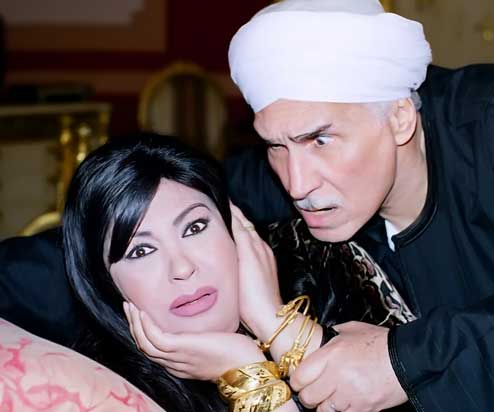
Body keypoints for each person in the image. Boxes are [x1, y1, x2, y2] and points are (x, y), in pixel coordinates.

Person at [224, 0, 494, 411]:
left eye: (320, 140)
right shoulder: (268, 180)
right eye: (275, 145)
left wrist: (403, 360)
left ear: (400, 118)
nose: (296, 185)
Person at [60, 132, 407, 412]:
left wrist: (272, 321)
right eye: (141, 251)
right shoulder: (101, 394)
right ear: (104, 282)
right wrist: (245, 374)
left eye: (195, 227)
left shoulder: (332, 279)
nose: (182, 267)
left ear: (234, 228)